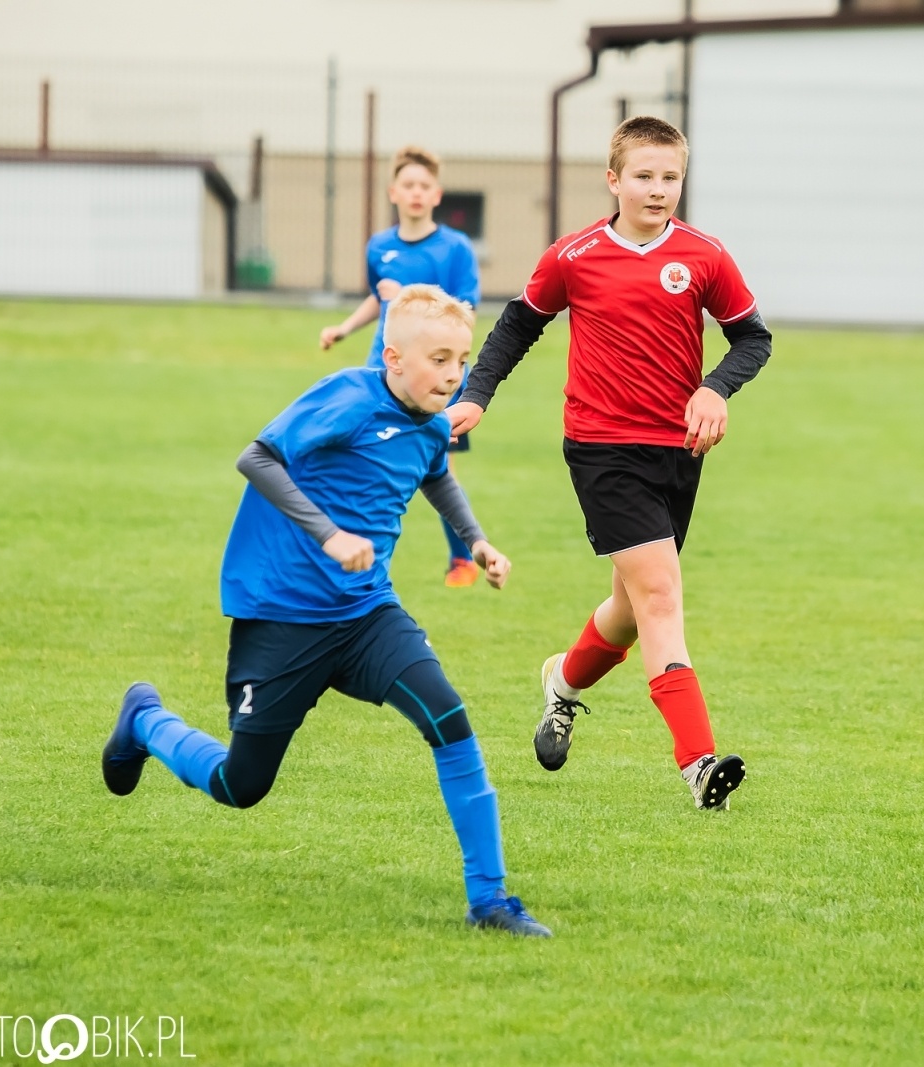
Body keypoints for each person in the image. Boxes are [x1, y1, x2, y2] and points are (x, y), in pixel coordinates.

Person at [102, 284, 547, 937]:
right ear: (393, 357)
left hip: (367, 616)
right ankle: (146, 719)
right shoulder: (349, 397)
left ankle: (490, 899)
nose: (454, 374)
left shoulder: (430, 420)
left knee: (449, 719)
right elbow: (257, 457)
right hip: (283, 616)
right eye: (440, 360)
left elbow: (432, 472)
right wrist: (329, 534)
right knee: (240, 783)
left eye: (461, 359)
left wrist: (476, 541)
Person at [449, 116, 772, 810]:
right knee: (660, 595)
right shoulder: (575, 256)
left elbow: (752, 339)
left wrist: (714, 387)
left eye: (671, 177)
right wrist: (476, 394)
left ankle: (563, 683)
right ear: (614, 180)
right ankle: (698, 763)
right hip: (601, 447)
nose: (659, 190)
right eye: (645, 176)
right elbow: (517, 325)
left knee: (629, 607)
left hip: (678, 451)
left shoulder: (704, 256)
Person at [320, 145, 490, 585]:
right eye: (408, 185)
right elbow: (381, 297)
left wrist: (407, 294)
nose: (416, 193)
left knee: (438, 468)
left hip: (435, 378)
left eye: (424, 186)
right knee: (365, 459)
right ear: (394, 192)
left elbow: (463, 311)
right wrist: (344, 327)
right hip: (383, 370)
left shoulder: (455, 248)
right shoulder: (379, 245)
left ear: (437, 195)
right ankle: (352, 552)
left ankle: (463, 559)